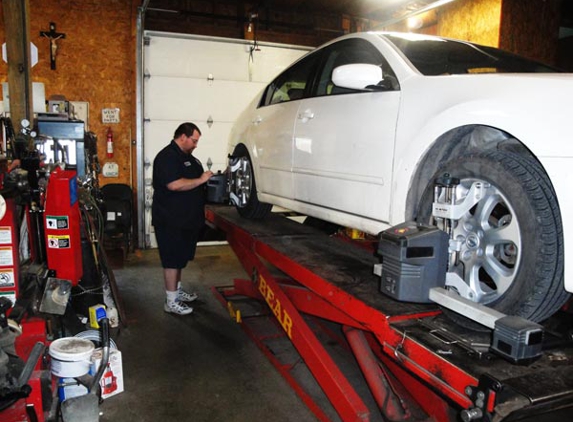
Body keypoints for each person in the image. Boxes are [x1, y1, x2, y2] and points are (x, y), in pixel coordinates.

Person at [152, 122, 213, 315]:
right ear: (183, 137)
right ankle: (170, 302)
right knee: (171, 260)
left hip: (186, 220)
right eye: (194, 141)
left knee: (179, 259)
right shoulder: (167, 157)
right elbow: (174, 185)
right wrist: (201, 179)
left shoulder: (190, 159)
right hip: (170, 220)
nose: (195, 144)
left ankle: (176, 292)